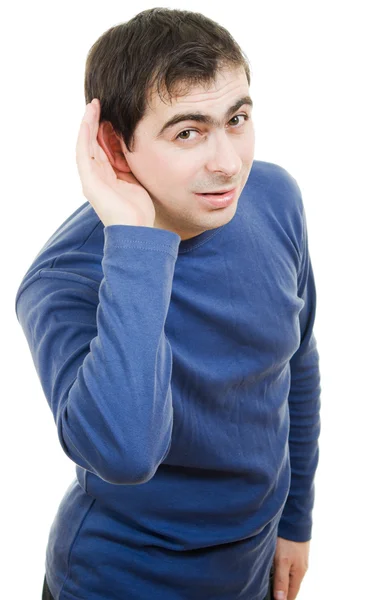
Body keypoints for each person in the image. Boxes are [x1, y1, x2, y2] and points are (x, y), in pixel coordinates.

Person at [15, 7, 321, 600]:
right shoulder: (63, 280)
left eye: (236, 119)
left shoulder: (275, 197)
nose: (228, 163)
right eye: (188, 132)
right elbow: (126, 452)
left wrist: (296, 520)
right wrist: (136, 243)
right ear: (114, 146)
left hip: (251, 574)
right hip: (118, 586)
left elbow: (296, 363)